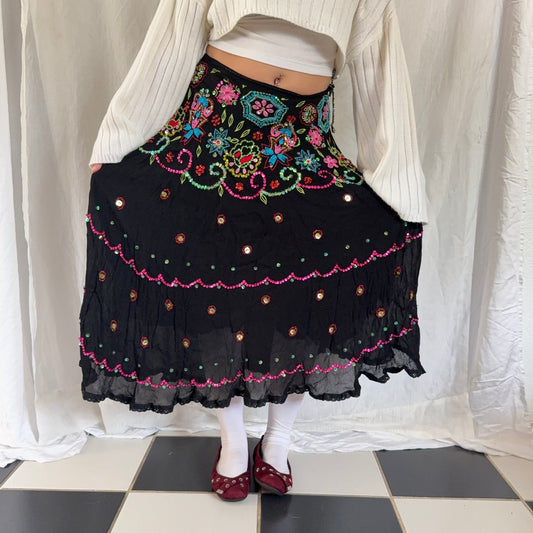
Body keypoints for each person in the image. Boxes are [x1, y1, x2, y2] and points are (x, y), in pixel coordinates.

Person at [80, 0, 428, 502]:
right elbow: (175, 33)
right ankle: (233, 441)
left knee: (303, 302)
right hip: (214, 127)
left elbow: (378, 59)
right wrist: (117, 140)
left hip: (305, 139)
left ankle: (278, 441)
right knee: (217, 292)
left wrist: (397, 179)